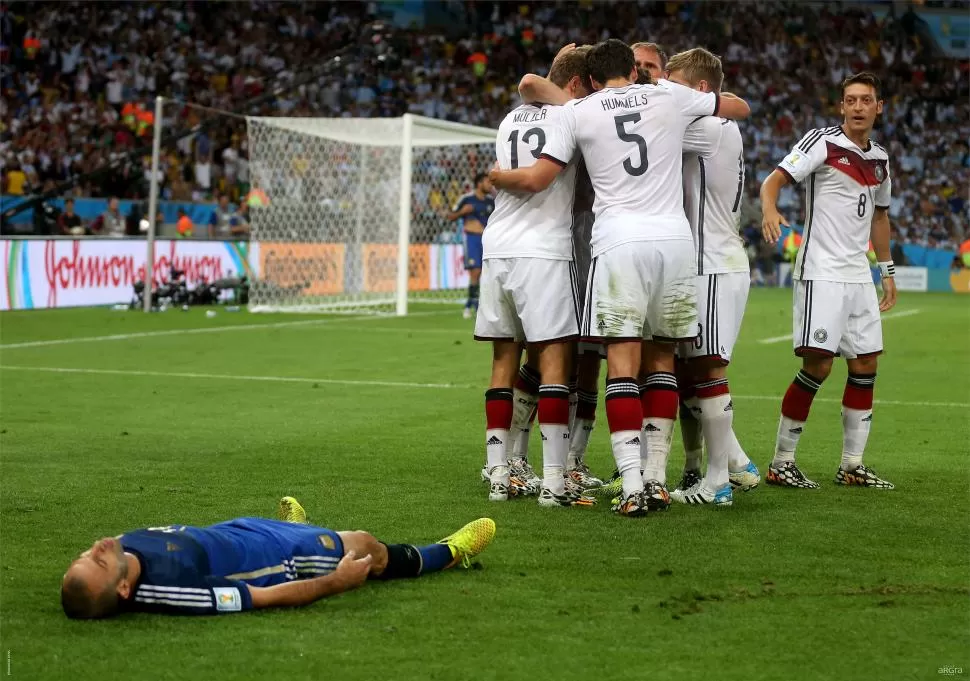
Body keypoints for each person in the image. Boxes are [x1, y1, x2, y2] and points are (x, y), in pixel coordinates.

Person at [489, 39, 751, 516]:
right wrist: (675, 95)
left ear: (589, 79)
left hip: (617, 244)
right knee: (663, 363)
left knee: (622, 366)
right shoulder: (669, 96)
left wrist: (499, 175)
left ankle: (631, 485)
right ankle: (656, 479)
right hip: (675, 244)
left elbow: (535, 107)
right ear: (634, 70)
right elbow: (738, 106)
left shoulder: (579, 111)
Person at [760, 72, 896, 490]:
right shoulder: (821, 141)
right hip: (821, 269)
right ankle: (782, 462)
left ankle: (851, 465)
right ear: (841, 106)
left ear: (879, 107)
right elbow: (775, 179)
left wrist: (886, 272)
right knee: (818, 365)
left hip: (858, 274)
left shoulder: (881, 160)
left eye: (865, 100)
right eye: (850, 100)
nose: (857, 107)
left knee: (866, 363)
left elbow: (880, 216)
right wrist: (769, 208)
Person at [476, 45, 595, 507]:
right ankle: (553, 481)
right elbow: (537, 179)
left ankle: (500, 474)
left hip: (498, 246)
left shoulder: (510, 119)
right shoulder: (569, 118)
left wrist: (497, 178)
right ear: (575, 86)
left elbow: (528, 85)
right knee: (553, 362)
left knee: (503, 363)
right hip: (542, 251)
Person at [60, 496, 496, 618]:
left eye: (85, 553)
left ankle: (305, 527)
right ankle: (448, 553)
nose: (98, 546)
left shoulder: (119, 553)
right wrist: (336, 583)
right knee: (365, 545)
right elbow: (260, 597)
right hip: (278, 559)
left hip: (241, 530)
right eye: (97, 559)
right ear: (122, 587)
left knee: (317, 532)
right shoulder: (174, 588)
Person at [659, 48, 761, 508]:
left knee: (709, 368)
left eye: (672, 80)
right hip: (703, 263)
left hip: (713, 264)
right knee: (691, 371)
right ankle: (734, 463)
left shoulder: (711, 127)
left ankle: (719, 480)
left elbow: (648, 125)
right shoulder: (713, 123)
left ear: (700, 90)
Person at [444, 173, 494, 319]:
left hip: (487, 239)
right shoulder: (467, 199)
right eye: (487, 182)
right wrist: (462, 212)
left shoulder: (492, 201)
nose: (490, 185)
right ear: (479, 183)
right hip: (472, 238)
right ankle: (476, 306)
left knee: (485, 273)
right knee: (475, 272)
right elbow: (451, 216)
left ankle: (469, 305)